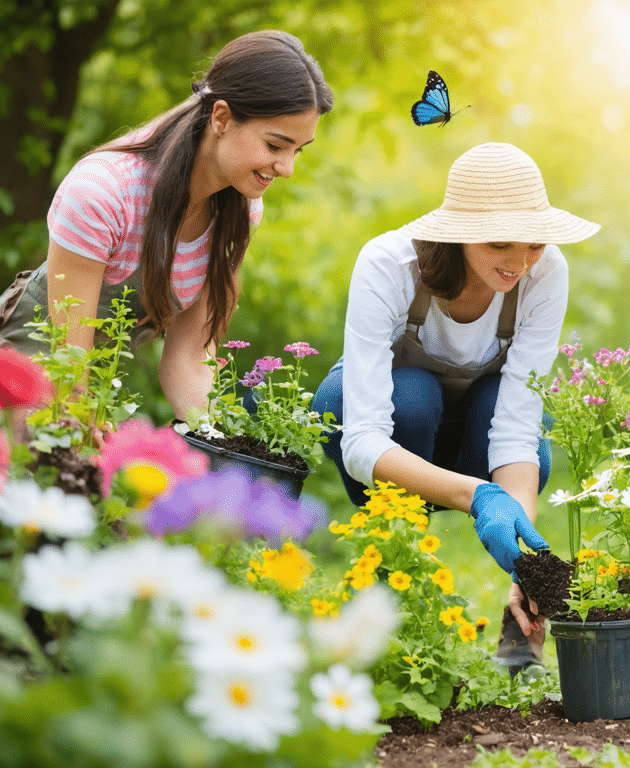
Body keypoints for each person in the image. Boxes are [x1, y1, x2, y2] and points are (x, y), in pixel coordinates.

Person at [311, 142, 599, 675]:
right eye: (499, 243)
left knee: (534, 427)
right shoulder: (389, 264)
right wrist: (479, 496)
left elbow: (514, 426)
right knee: (415, 393)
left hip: (476, 437)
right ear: (458, 231)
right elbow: (362, 440)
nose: (519, 261)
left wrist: (527, 565)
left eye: (534, 243)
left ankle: (522, 626)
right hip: (397, 437)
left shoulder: (544, 274)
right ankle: (393, 583)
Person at [0, 31, 332, 427]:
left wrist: (217, 440)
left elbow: (188, 358)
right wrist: (83, 422)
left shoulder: (239, 208)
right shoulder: (104, 193)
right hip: (25, 384)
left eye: (298, 149)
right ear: (222, 118)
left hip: (92, 398)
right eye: (275, 146)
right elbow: (69, 362)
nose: (287, 168)